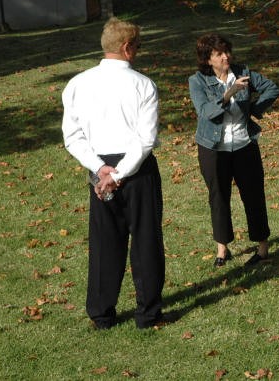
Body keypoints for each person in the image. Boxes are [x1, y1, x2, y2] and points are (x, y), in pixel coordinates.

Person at [61, 17, 165, 330]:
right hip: (137, 167)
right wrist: (117, 172)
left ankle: (101, 313)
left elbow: (72, 135)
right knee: (146, 239)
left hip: (100, 165)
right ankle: (147, 313)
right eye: (138, 45)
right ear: (127, 48)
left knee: (105, 241)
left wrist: (100, 169)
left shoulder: (78, 83)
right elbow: (145, 139)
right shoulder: (143, 84)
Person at [188, 33, 279, 266]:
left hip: (244, 145)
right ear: (208, 59)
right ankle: (222, 249)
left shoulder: (242, 72)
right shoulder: (197, 81)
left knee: (254, 195)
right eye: (219, 54)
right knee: (218, 197)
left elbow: (272, 88)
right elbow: (206, 111)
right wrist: (229, 95)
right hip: (213, 148)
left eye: (226, 51)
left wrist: (253, 109)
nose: (225, 57)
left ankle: (262, 248)